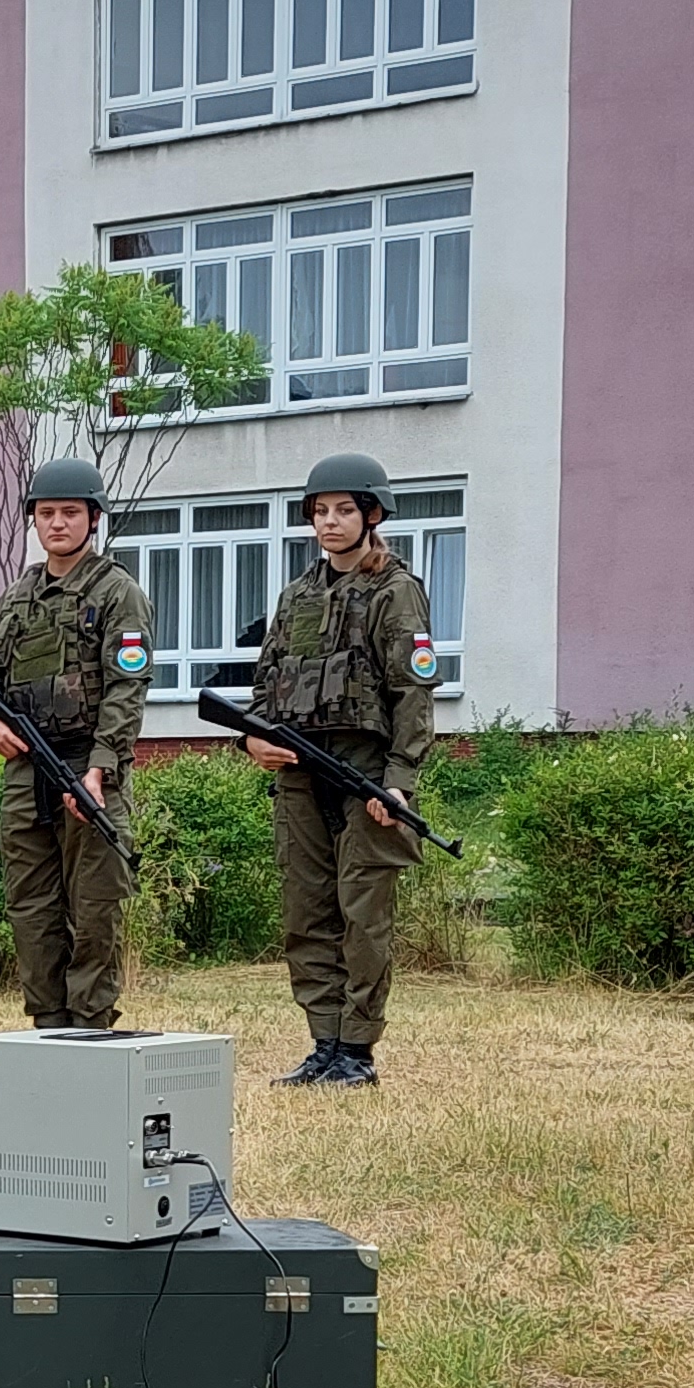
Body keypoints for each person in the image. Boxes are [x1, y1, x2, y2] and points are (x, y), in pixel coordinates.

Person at [242, 451, 443, 1087]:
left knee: (363, 915)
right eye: (319, 511)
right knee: (307, 913)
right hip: (299, 769)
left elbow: (413, 692)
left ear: (371, 515)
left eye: (343, 510)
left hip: (364, 768)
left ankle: (357, 1050)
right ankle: (323, 1042)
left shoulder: (395, 590)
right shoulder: (297, 595)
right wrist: (253, 740)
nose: (330, 522)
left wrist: (399, 779)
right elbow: (265, 685)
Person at [0, 457, 156, 1030]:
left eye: (70, 513)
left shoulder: (116, 592)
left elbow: (127, 688)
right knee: (31, 907)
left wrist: (100, 770)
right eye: (46, 513)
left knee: (94, 906)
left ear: (93, 519)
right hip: (27, 771)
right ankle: (47, 1023)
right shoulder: (17, 596)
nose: (57, 524)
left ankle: (90, 1023)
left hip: (86, 766)